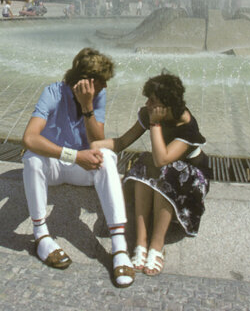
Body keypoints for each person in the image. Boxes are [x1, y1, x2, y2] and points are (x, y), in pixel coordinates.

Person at [20, 48, 135, 288]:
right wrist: (73, 155)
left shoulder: (96, 96)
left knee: (106, 155)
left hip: (81, 168)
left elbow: (97, 140)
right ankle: (41, 236)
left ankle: (119, 246)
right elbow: (29, 138)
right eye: (102, 82)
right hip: (57, 165)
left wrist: (87, 105)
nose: (105, 87)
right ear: (86, 81)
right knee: (31, 158)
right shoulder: (52, 92)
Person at [92, 72, 210, 276]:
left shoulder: (187, 126)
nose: (147, 104)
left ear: (166, 105)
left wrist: (155, 124)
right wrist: (91, 147)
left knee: (166, 170)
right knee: (143, 166)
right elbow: (121, 143)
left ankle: (157, 246)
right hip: (162, 170)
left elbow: (162, 159)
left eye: (152, 101)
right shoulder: (150, 113)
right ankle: (141, 242)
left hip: (189, 178)